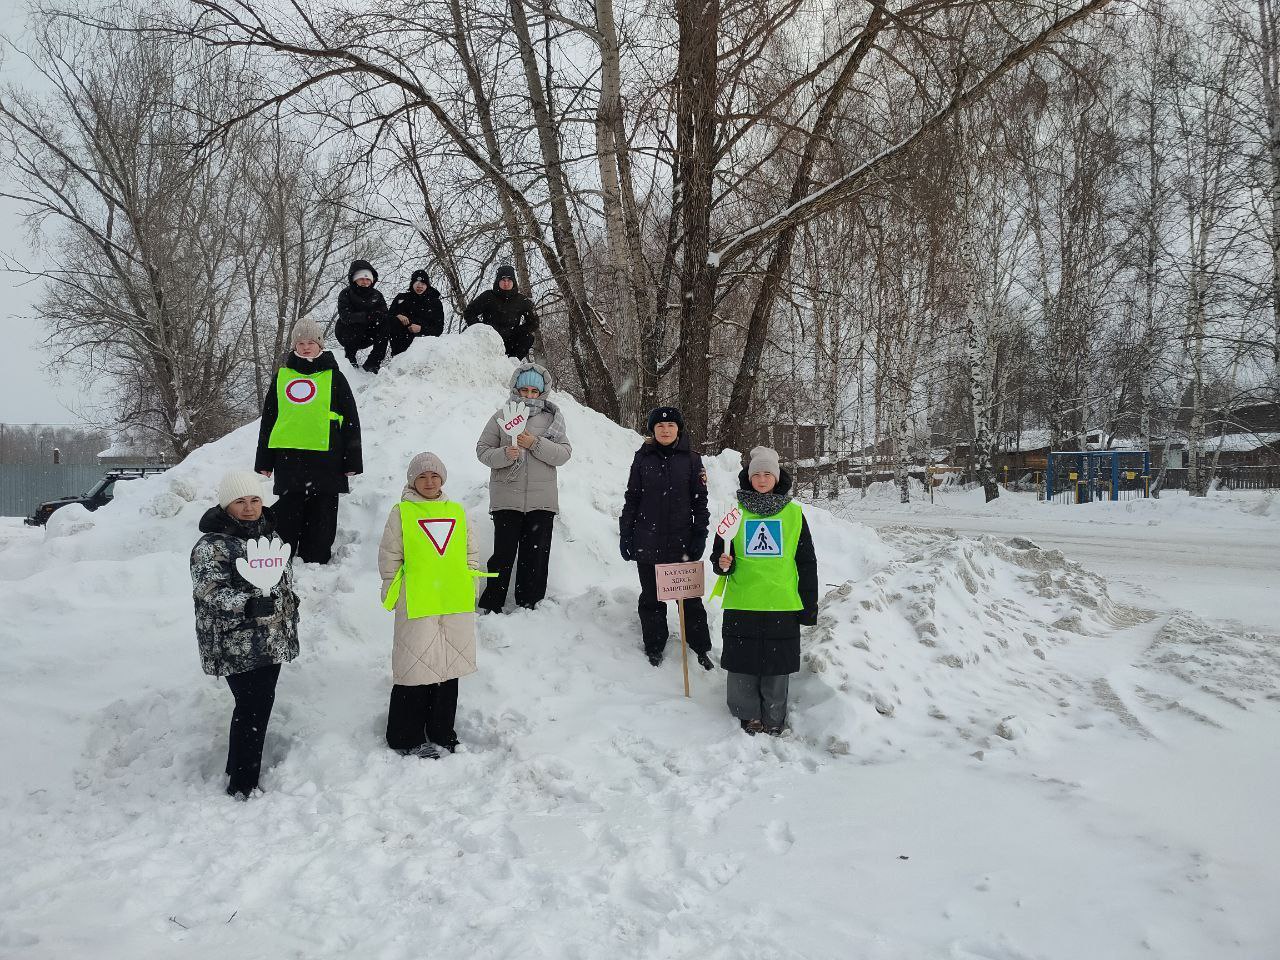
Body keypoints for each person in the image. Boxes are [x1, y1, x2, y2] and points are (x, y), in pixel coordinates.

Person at [190, 470, 299, 798]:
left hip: (271, 636)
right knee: (252, 705)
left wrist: (287, 607)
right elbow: (209, 589)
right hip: (234, 639)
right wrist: (247, 604)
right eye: (240, 501)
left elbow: (283, 581)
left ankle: (239, 766)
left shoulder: (271, 537)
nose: (250, 507)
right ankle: (242, 782)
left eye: (255, 500)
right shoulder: (212, 545)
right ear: (226, 505)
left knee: (260, 704)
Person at [379, 452, 486, 758]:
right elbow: (390, 556)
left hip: (453, 601)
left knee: (447, 669)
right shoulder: (401, 513)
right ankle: (405, 737)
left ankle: (441, 730)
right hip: (417, 601)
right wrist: (394, 591)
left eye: (434, 476)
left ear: (443, 480)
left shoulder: (456, 510)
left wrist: (470, 586)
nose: (428, 482)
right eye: (422, 477)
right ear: (412, 480)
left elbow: (470, 552)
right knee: (414, 670)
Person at [710, 446, 818, 737]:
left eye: (767, 474)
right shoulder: (735, 514)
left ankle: (773, 715)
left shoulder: (794, 515)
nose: (761, 479)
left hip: (781, 602)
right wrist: (722, 564)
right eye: (755, 473)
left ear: (777, 477)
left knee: (776, 664)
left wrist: (809, 606)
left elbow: (806, 563)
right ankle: (747, 715)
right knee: (742, 662)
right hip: (743, 600)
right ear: (748, 477)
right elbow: (719, 556)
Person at [254, 318, 362, 564]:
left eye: (311, 342)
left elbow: (351, 421)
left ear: (320, 344)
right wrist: (265, 460)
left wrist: (352, 460)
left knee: (323, 512)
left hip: (328, 458)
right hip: (289, 459)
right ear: (293, 346)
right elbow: (269, 421)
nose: (305, 347)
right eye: (300, 343)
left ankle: (316, 559)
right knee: (289, 511)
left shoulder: (335, 377)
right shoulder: (282, 377)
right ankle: (284, 558)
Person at [619, 406, 715, 669]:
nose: (665, 430)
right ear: (653, 430)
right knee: (651, 598)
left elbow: (700, 503)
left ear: (678, 429)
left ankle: (700, 648)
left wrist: (700, 534)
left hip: (681, 543)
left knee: (690, 600)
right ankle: (654, 645)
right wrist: (626, 532)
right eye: (660, 426)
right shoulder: (642, 458)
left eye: (670, 425)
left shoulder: (693, 460)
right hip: (647, 540)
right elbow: (633, 498)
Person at [474, 362, 571, 612]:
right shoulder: (501, 416)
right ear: (516, 389)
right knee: (502, 557)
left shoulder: (553, 418)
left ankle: (530, 605)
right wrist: (505, 454)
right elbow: (482, 451)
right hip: (507, 498)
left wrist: (534, 443)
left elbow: (563, 454)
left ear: (542, 393)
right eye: (524, 390)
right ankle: (491, 604)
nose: (528, 395)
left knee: (535, 558)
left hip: (542, 500)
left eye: (534, 391)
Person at [463, 265, 539, 359]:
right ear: (498, 281)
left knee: (527, 337)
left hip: (511, 343)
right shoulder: (488, 297)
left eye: (509, 280)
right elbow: (469, 312)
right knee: (467, 331)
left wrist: (518, 330)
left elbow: (534, 322)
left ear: (513, 282)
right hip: (488, 340)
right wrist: (481, 328)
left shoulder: (521, 300)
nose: (506, 283)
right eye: (503, 280)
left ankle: (511, 365)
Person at [335, 259, 392, 373]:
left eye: (367, 279)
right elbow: (345, 316)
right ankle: (350, 360)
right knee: (355, 324)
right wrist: (367, 316)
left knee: (386, 325)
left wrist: (379, 316)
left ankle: (373, 363)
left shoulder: (377, 295)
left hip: (369, 333)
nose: (365, 282)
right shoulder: (346, 294)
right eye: (361, 278)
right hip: (347, 332)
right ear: (355, 279)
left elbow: (385, 313)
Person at [387, 269, 445, 358]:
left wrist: (421, 329)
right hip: (401, 346)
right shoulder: (401, 298)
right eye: (417, 283)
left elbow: (438, 329)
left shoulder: (435, 303)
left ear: (427, 285)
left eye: (423, 284)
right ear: (412, 284)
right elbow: (388, 317)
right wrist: (397, 315)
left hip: (424, 345)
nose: (420, 286)